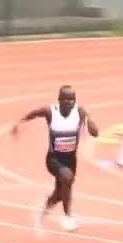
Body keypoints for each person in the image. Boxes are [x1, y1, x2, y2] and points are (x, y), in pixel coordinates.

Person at [11, 85, 100, 233]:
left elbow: (95, 132)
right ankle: (67, 217)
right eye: (66, 99)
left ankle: (46, 207)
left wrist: (90, 123)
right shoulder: (50, 112)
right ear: (59, 99)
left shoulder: (79, 112)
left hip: (71, 161)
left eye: (72, 100)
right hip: (54, 159)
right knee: (67, 178)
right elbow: (35, 113)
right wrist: (19, 123)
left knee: (60, 194)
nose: (69, 103)